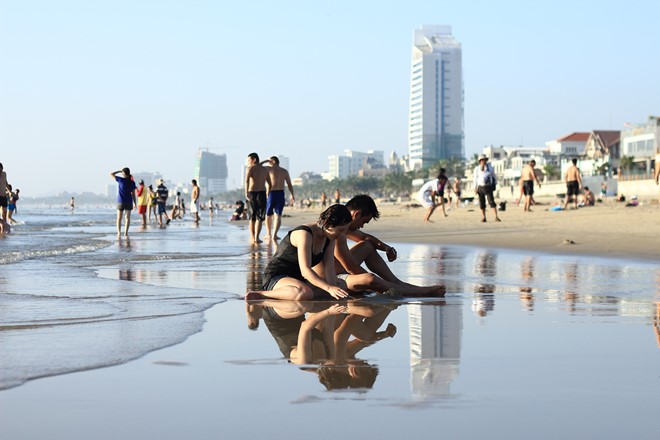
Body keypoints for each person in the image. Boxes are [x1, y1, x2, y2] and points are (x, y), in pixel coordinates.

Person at [333, 194, 446, 296]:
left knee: (368, 245)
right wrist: (379, 284)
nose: (362, 226)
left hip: (340, 270)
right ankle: (410, 290)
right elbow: (351, 268)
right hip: (334, 278)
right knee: (371, 279)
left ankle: (397, 283)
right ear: (356, 214)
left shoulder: (342, 223)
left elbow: (365, 237)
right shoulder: (338, 229)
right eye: (364, 221)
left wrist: (386, 248)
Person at [245, 204, 352, 300]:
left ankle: (298, 295)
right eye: (340, 230)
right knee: (305, 292)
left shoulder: (330, 238)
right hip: (277, 276)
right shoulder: (304, 234)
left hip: (298, 279)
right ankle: (262, 294)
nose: (342, 235)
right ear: (328, 223)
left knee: (341, 285)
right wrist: (328, 288)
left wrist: (335, 291)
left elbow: (330, 269)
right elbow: (305, 270)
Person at [261, 156, 295, 241]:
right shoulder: (284, 171)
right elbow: (289, 184)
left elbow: (258, 166)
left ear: (272, 161)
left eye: (269, 161)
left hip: (271, 193)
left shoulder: (269, 169)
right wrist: (292, 194)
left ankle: (268, 234)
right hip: (280, 193)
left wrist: (266, 160)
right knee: (278, 215)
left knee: (268, 215)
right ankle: (274, 235)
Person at [245, 152, 272, 244]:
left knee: (252, 217)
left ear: (254, 160)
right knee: (259, 217)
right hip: (262, 193)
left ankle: (252, 237)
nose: (248, 162)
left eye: (249, 160)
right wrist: (267, 193)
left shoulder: (250, 169)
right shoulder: (265, 170)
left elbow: (247, 181)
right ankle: (257, 237)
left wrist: (246, 193)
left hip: (252, 193)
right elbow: (270, 184)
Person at [472, 154, 501, 223]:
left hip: (488, 187)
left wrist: (495, 183)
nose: (483, 162)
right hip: (480, 187)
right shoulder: (477, 169)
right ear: (480, 161)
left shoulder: (490, 168)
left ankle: (496, 216)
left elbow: (494, 176)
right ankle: (484, 217)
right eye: (482, 160)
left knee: (491, 202)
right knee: (482, 203)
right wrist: (475, 188)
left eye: (484, 160)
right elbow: (475, 179)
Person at [110, 168, 137, 238]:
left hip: (120, 201)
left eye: (122, 172)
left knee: (119, 218)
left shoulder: (121, 180)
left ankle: (119, 233)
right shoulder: (132, 182)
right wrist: (135, 203)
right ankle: (126, 233)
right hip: (129, 201)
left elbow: (111, 174)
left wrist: (119, 171)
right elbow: (133, 194)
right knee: (127, 218)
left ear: (124, 173)